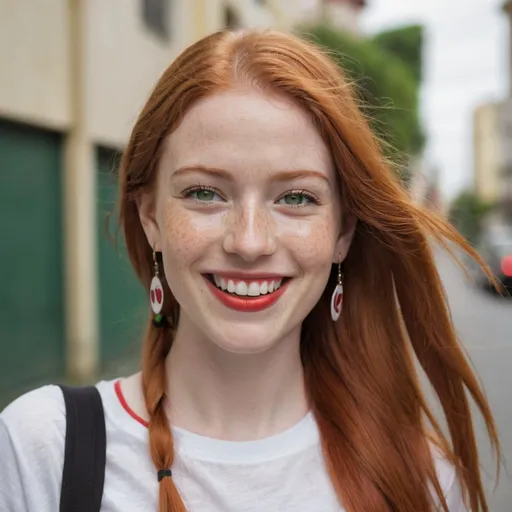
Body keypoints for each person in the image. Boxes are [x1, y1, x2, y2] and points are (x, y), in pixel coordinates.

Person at [0, 29, 501, 512]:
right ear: (151, 216)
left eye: (296, 198)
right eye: (205, 192)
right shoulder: (41, 449)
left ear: (343, 233)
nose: (249, 241)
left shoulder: (422, 476)